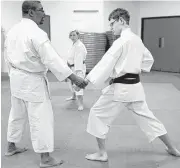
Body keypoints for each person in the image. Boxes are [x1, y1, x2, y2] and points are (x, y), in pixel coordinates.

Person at [84, 8, 180, 161]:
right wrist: (134, 69)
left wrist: (87, 80)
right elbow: (148, 59)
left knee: (97, 114)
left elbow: (106, 62)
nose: (111, 27)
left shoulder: (122, 41)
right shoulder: (136, 39)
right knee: (149, 118)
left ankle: (102, 153)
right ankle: (172, 147)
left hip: (120, 90)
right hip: (135, 88)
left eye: (112, 23)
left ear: (121, 21)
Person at [4, 1, 87, 167]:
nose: (44, 13)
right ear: (31, 12)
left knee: (17, 113)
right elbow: (52, 59)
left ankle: (11, 146)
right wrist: (74, 78)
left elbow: (7, 54)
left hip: (16, 79)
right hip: (33, 81)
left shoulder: (12, 31)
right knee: (41, 118)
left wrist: (14, 72)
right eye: (41, 10)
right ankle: (45, 158)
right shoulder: (37, 33)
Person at [66, 30, 87, 111]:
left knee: (78, 84)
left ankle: (81, 104)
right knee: (71, 83)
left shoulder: (79, 46)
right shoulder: (74, 45)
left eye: (74, 35)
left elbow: (79, 59)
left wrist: (78, 72)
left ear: (78, 36)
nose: (72, 37)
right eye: (71, 35)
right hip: (71, 67)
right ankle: (73, 97)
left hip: (78, 67)